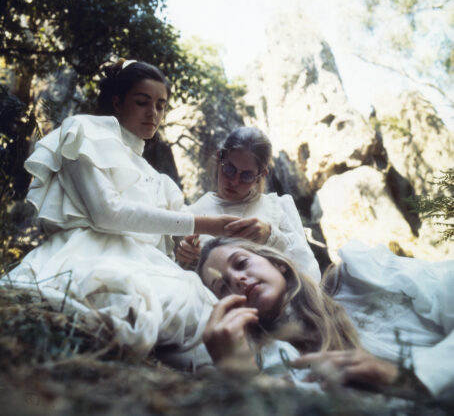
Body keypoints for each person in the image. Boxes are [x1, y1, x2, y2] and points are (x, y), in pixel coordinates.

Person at [4, 60, 239, 359]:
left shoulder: (161, 181)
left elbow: (169, 245)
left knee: (205, 317)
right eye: (142, 102)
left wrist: (185, 248)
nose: (152, 113)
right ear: (117, 102)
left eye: (160, 105)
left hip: (144, 262)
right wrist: (203, 223)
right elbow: (107, 213)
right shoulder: (84, 132)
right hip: (87, 251)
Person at [196, 237, 454, 398]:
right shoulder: (268, 363)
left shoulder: (359, 277)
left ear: (278, 264)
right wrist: (243, 378)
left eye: (241, 263)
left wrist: (414, 377)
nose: (238, 279)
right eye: (223, 287)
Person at [176, 127, 321, 282]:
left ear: (261, 175)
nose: (234, 181)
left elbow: (311, 276)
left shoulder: (278, 207)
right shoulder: (192, 215)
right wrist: (186, 259)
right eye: (229, 170)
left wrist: (271, 238)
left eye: (246, 176)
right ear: (219, 159)